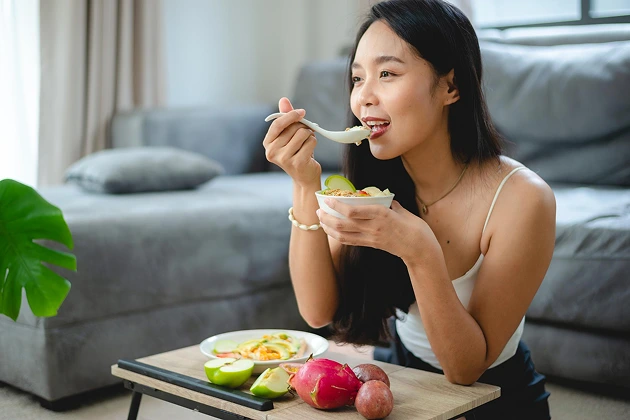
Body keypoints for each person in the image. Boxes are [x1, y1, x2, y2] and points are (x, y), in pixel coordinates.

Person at [262, 0, 555, 418]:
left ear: (451, 87)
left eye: (387, 74)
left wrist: (419, 249)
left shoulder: (523, 198)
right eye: (357, 78)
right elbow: (317, 311)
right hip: (401, 382)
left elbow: (466, 369)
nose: (364, 96)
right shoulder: (372, 187)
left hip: (497, 398)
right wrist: (304, 185)